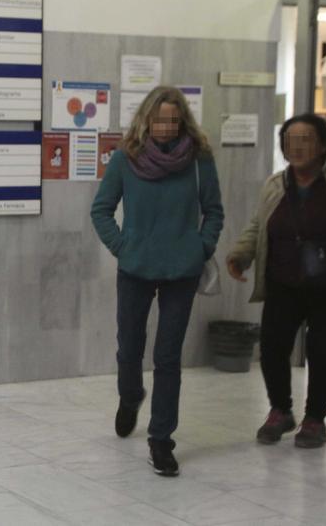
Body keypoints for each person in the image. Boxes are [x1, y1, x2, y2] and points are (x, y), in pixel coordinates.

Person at [90, 86, 224, 477]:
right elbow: (101, 210)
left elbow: (214, 211)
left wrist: (201, 248)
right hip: (135, 269)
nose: (166, 127)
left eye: (174, 120)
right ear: (146, 120)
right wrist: (123, 247)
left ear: (183, 122)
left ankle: (161, 440)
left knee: (168, 358)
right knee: (129, 348)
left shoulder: (199, 160)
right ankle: (130, 397)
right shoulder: (125, 159)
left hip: (182, 272)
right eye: (159, 119)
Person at [227, 113, 326, 448]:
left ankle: (315, 420)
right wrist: (241, 253)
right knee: (272, 348)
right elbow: (259, 225)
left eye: (306, 139)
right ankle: (281, 410)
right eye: (290, 140)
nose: (297, 147)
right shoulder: (275, 184)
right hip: (283, 280)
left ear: (324, 144)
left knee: (323, 353)